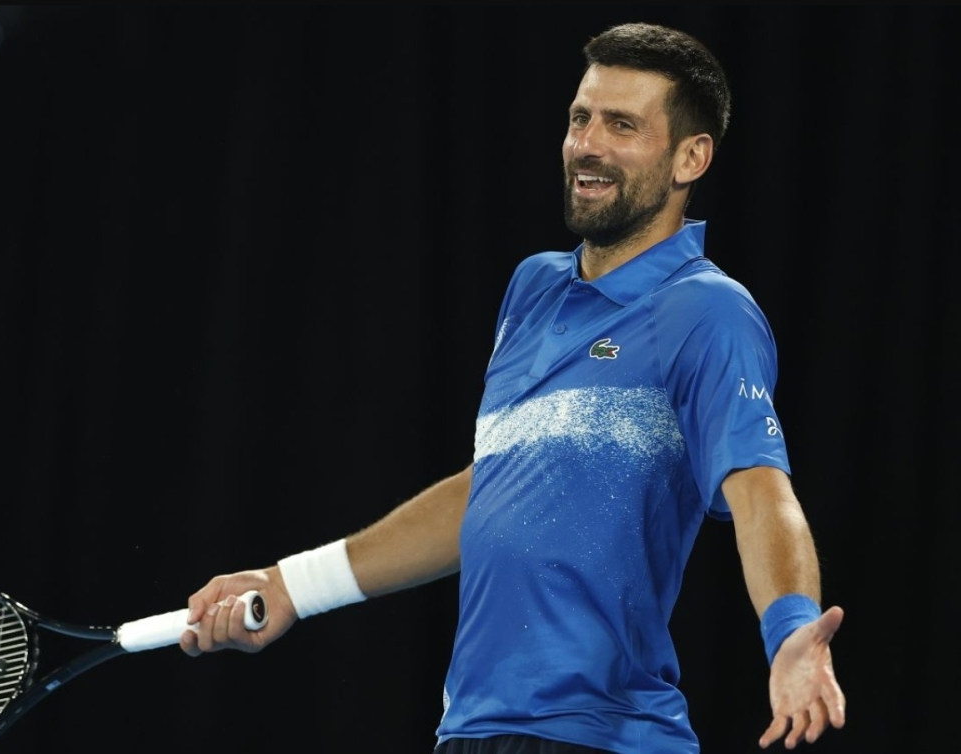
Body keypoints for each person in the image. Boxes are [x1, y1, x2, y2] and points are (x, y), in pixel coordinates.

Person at [178, 21, 846, 754]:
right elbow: (492, 489)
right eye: (580, 118)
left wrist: (790, 629)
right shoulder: (532, 289)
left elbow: (760, 490)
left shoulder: (709, 312)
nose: (587, 144)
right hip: (471, 731)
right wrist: (293, 585)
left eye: (622, 125)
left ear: (692, 157)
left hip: (604, 739)